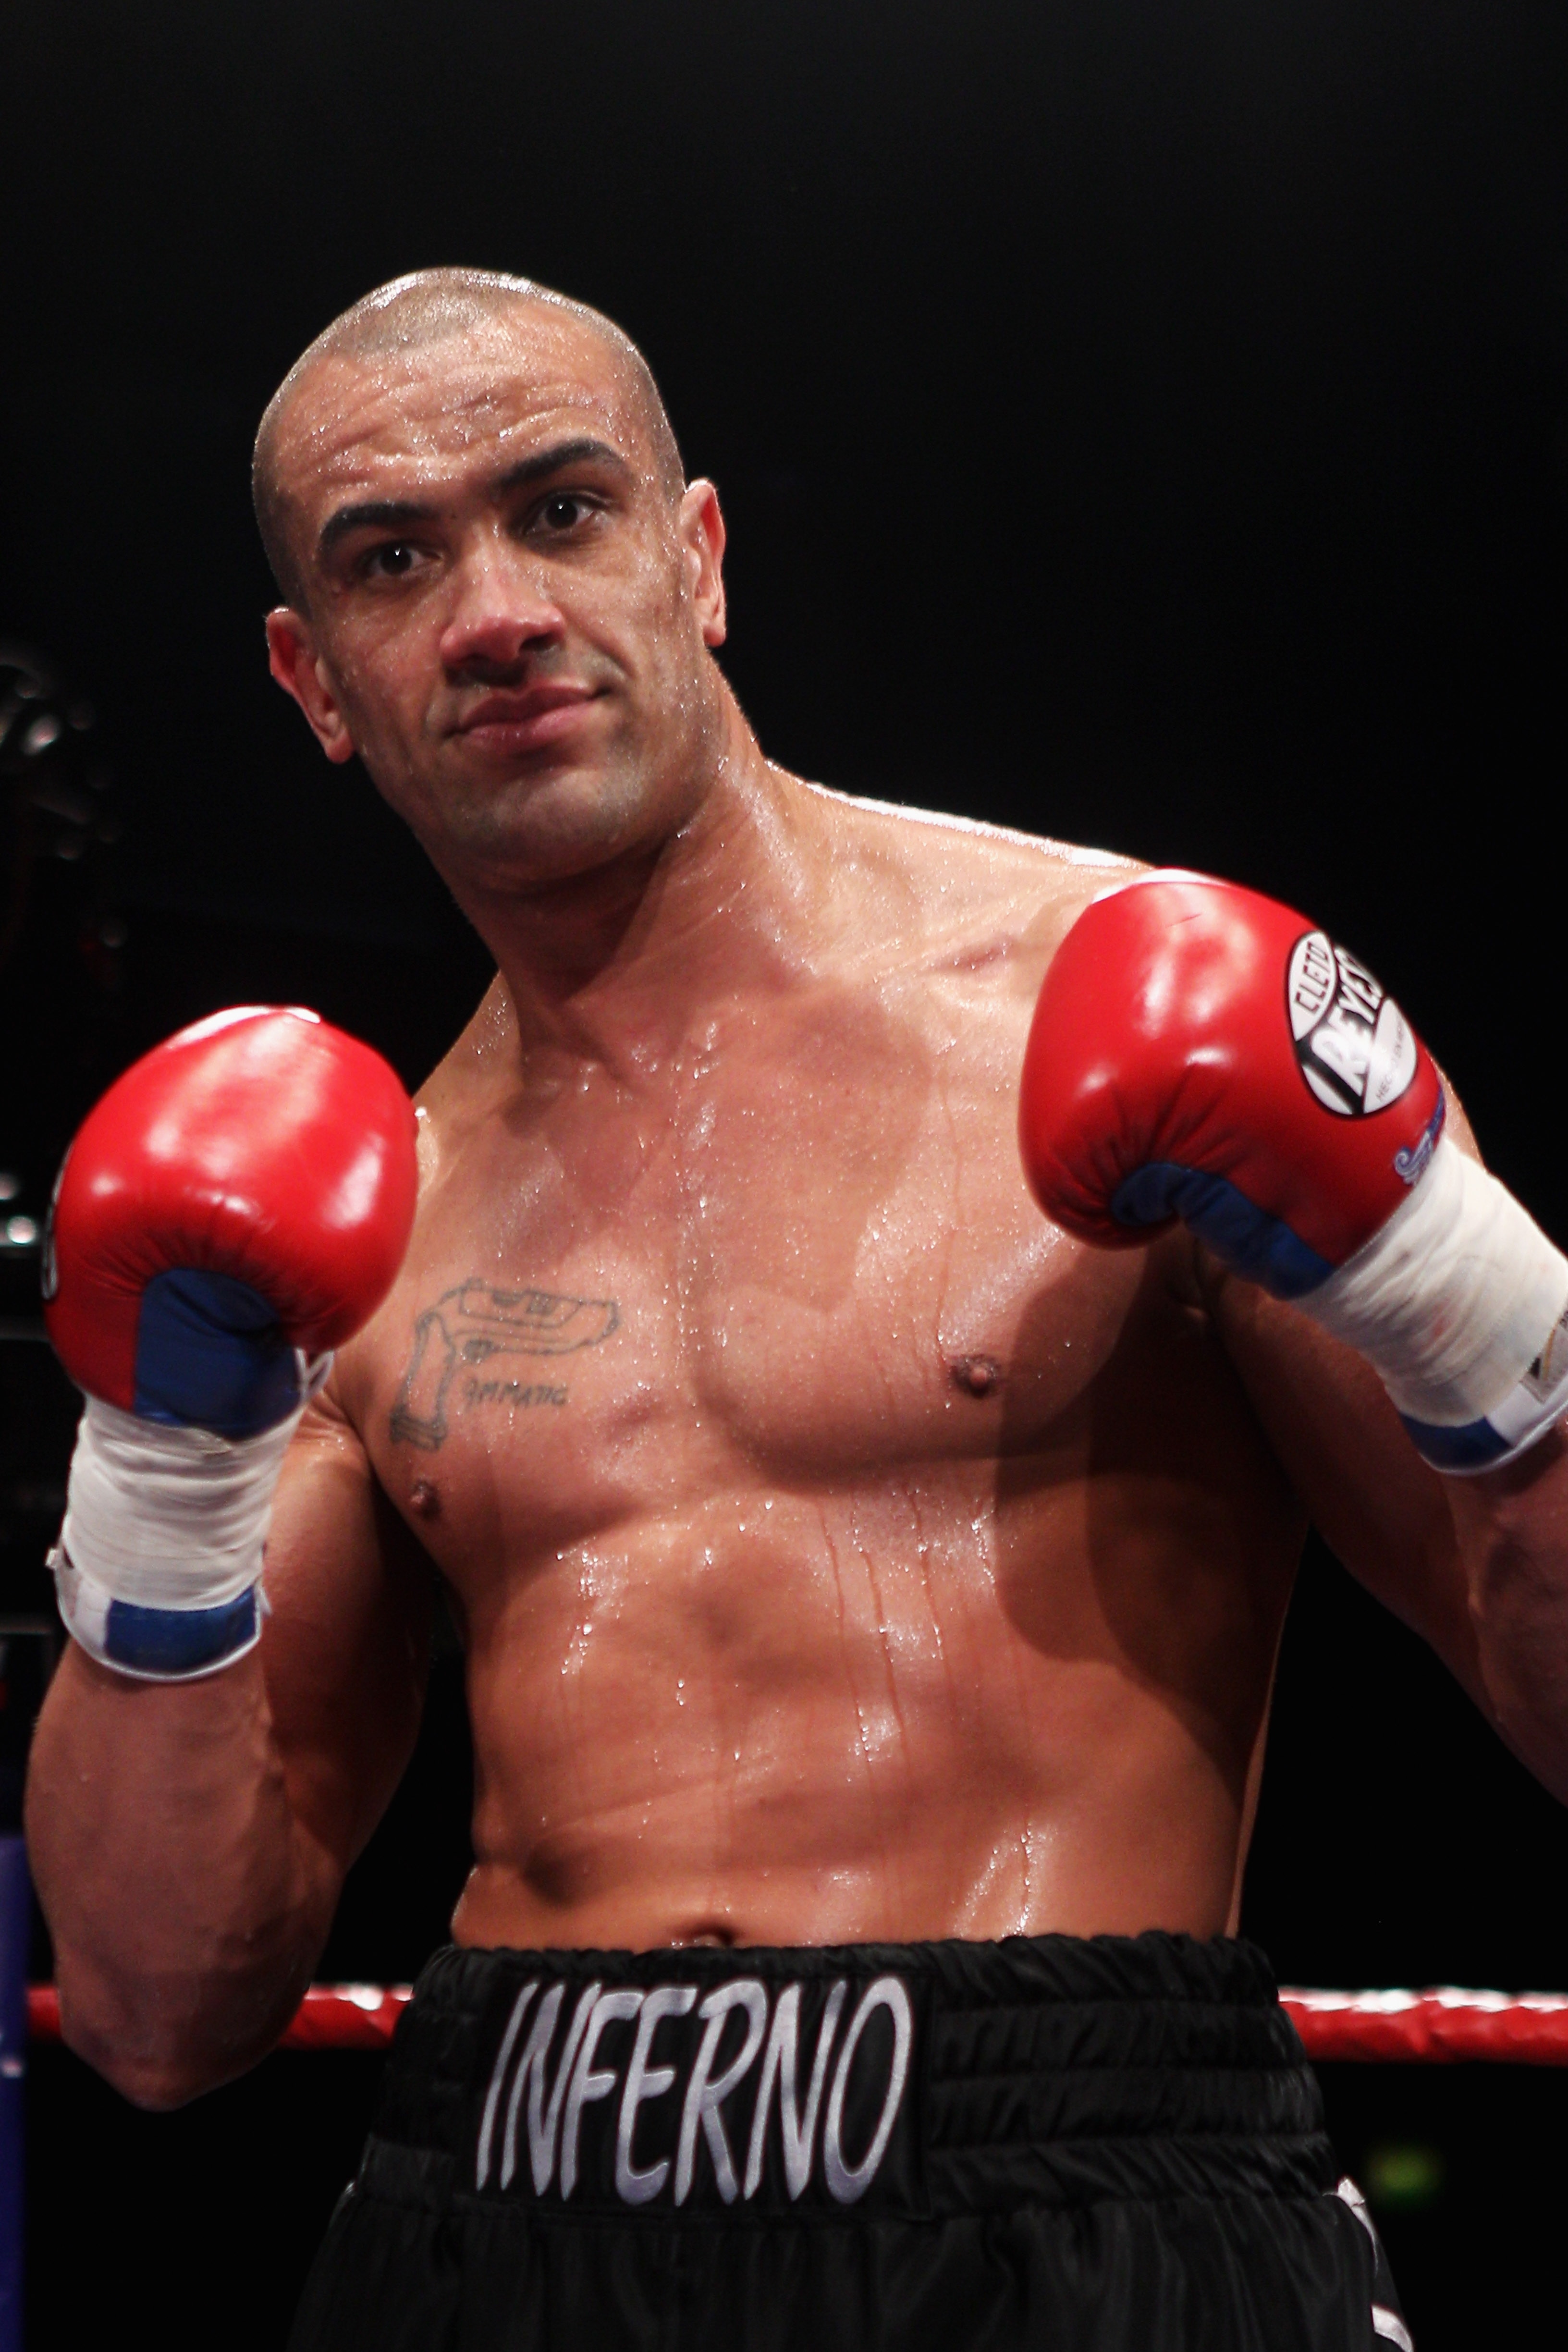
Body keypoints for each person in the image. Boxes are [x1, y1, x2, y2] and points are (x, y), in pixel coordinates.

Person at [24, 268, 1568, 2352]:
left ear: (698, 556)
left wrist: (1455, 1292)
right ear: (317, 679)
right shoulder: (356, 1220)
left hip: (1075, 2193)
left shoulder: (1098, 990)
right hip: (492, 2207)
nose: (491, 610)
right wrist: (160, 1464)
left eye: (559, 510)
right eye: (396, 560)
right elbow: (146, 2006)